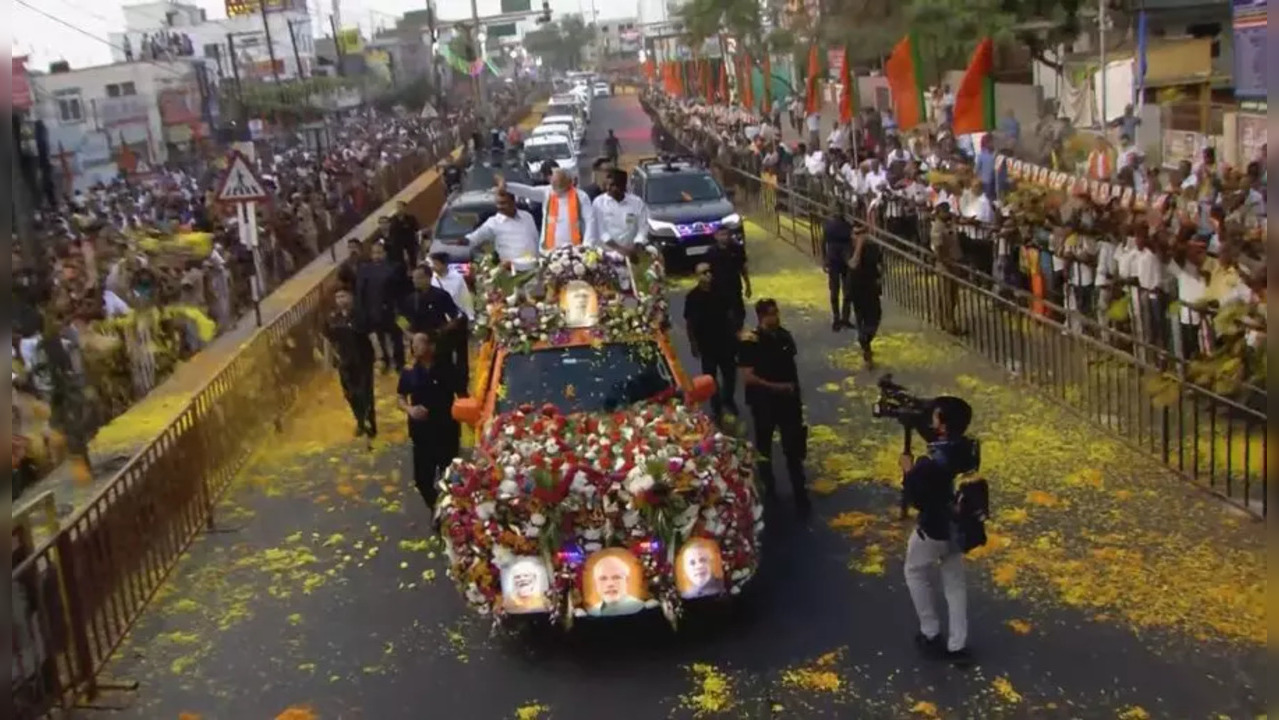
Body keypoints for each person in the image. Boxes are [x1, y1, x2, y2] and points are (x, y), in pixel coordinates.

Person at [901, 398, 976, 665]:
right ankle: (958, 644)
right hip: (958, 528)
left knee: (915, 572)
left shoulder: (928, 466)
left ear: (943, 425)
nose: (931, 422)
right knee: (955, 585)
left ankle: (930, 631)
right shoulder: (966, 449)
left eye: (935, 418)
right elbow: (936, 436)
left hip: (932, 529)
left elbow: (918, 498)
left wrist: (908, 471)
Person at [739, 299, 809, 515]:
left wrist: (795, 394)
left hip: (788, 403)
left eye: (776, 312)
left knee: (793, 448)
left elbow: (791, 368)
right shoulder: (751, 342)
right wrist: (777, 387)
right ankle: (769, 487)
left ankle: (800, 491)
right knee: (764, 448)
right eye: (770, 314)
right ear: (761, 317)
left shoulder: (784, 336)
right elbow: (748, 378)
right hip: (765, 403)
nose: (775, 317)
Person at [397, 332, 460, 517]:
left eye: (419, 344)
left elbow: (461, 394)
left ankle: (453, 513)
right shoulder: (409, 372)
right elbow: (400, 397)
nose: (414, 348)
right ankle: (437, 509)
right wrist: (410, 410)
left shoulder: (447, 368)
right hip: (421, 434)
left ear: (431, 347)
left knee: (451, 477)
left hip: (446, 430)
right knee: (422, 480)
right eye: (413, 344)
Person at [684, 261, 740, 420]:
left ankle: (728, 399)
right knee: (710, 377)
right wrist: (693, 344)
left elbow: (731, 313)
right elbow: (689, 323)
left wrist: (736, 334)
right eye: (703, 272)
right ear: (697, 276)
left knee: (730, 374)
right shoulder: (692, 297)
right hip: (706, 345)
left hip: (726, 341)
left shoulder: (721, 291)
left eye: (709, 271)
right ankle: (717, 407)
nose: (708, 275)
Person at [400, 265, 466, 393]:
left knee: (446, 375)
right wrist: (409, 334)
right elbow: (400, 319)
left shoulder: (441, 295)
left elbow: (456, 317)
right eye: (414, 278)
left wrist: (442, 331)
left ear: (429, 278)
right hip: (418, 344)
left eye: (419, 278)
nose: (416, 281)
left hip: (438, 342)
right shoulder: (410, 299)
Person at [324, 286, 377, 438]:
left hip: (364, 361)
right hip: (345, 363)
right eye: (338, 297)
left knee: (366, 394)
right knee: (350, 395)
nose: (341, 300)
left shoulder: (361, 316)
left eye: (344, 296)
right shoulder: (333, 318)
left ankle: (370, 424)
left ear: (351, 297)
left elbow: (372, 336)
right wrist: (327, 364)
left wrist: (379, 357)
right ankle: (360, 420)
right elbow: (328, 341)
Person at [500, 170, 598, 251]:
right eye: (553, 185)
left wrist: (587, 244)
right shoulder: (547, 192)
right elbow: (529, 191)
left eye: (559, 186)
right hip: (549, 250)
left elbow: (590, 220)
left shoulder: (581, 196)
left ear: (569, 183)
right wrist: (507, 186)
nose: (556, 190)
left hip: (574, 249)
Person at [427, 252, 474, 393]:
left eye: (436, 263)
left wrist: (470, 317)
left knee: (461, 355)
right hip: (442, 324)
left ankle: (462, 385)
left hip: (458, 321)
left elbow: (465, 297)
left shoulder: (457, 278)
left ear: (444, 264)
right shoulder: (432, 280)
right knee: (444, 355)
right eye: (432, 264)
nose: (434, 267)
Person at [356, 242, 406, 372]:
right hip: (375, 310)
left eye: (379, 253)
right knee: (380, 337)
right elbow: (361, 291)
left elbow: (402, 290)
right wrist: (363, 310)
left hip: (394, 310)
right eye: (374, 253)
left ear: (385, 253)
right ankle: (386, 361)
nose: (376, 256)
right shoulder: (365, 270)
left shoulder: (395, 268)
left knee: (397, 337)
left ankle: (400, 362)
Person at [458, 189, 539, 264]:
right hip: (512, 272)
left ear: (513, 201)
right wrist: (459, 243)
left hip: (534, 268)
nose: (500, 207)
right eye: (498, 203)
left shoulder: (527, 216)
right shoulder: (493, 222)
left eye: (503, 203)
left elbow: (535, 239)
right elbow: (474, 239)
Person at [848, 229, 883, 369]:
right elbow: (853, 264)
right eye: (857, 233)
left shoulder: (873, 247)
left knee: (876, 317)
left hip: (871, 288)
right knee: (861, 318)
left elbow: (880, 264)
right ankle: (865, 346)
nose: (861, 236)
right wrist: (859, 246)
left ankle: (866, 339)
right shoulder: (848, 247)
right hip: (857, 290)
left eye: (863, 233)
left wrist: (880, 276)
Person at [592, 169, 648, 256]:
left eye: (615, 185)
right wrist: (619, 249)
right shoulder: (599, 203)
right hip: (607, 254)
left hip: (632, 253)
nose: (610, 188)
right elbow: (601, 232)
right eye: (609, 185)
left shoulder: (637, 202)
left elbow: (643, 228)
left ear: (623, 185)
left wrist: (637, 245)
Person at [705, 227, 752, 331]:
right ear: (716, 236)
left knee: (738, 315)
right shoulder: (711, 252)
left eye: (726, 234)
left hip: (734, 287)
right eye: (721, 235)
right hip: (717, 290)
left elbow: (743, 268)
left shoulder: (737, 249)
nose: (724, 237)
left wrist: (748, 285)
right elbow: (707, 271)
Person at [822, 209, 855, 331]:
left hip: (833, 260)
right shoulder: (848, 226)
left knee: (835, 291)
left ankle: (837, 318)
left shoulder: (828, 226)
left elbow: (823, 242)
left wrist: (824, 258)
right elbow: (852, 243)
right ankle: (844, 318)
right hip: (844, 260)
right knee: (846, 291)